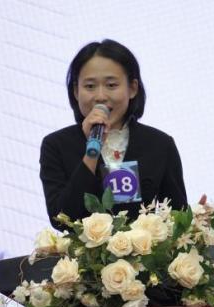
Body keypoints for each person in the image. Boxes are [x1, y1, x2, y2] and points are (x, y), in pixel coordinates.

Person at [40, 39, 188, 230]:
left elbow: (178, 217)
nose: (100, 96)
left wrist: (198, 222)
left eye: (111, 85)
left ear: (132, 88)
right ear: (76, 91)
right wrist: (91, 153)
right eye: (90, 86)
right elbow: (62, 219)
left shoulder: (160, 144)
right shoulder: (56, 145)